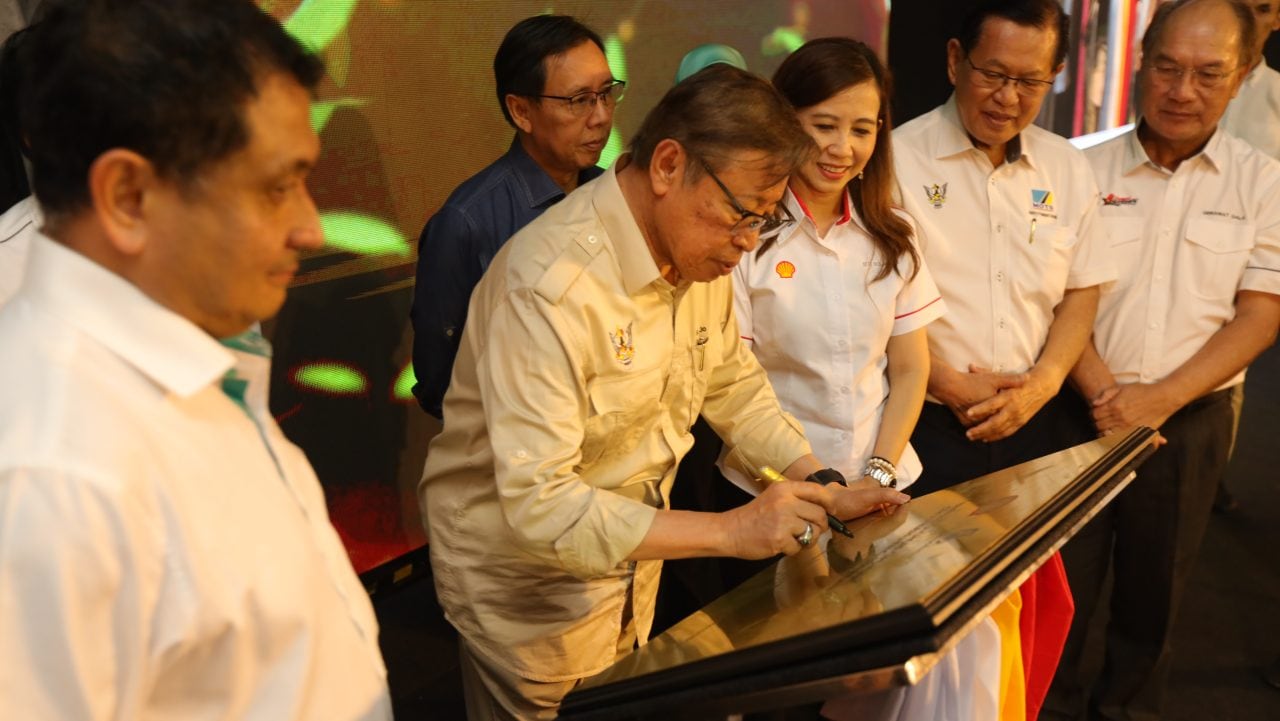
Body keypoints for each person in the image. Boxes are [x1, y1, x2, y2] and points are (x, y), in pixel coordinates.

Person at [418, 64, 910, 720]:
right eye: (741, 214)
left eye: (763, 223)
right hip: (532, 600)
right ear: (669, 166)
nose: (745, 245)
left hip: (628, 575)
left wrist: (820, 480)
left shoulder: (693, 247)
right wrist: (731, 531)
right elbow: (541, 504)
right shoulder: (548, 287)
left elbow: (730, 380)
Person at [0, 1, 391, 719]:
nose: (310, 225)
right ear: (128, 196)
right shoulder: (51, 471)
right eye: (277, 185)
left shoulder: (194, 355)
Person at [1043, 2, 1280, 719]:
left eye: (1209, 74)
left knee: (1157, 597)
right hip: (1072, 408)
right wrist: (1108, 392)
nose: (1184, 91)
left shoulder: (1263, 182)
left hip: (1190, 420)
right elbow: (1047, 297)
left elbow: (1261, 312)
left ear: (1239, 78)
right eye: (1169, 68)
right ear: (1142, 62)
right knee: (1060, 588)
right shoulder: (1078, 163)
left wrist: (1162, 397)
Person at [893, 0, 1114, 494]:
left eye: (1030, 81)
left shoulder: (1067, 166)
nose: (1007, 98)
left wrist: (1047, 380)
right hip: (923, 421)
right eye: (993, 74)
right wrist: (944, 381)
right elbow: (871, 301)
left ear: (1055, 75)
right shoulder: (896, 161)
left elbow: (1081, 290)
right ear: (955, 60)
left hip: (1035, 419)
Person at [410, 14, 618, 419]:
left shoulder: (612, 196)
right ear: (522, 111)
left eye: (607, 93)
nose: (601, 116)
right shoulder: (466, 222)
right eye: (579, 100)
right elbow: (440, 379)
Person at [1221, 0, 1280, 158]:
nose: (1250, 21)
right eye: (1239, 9)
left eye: (1263, 10)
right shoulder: (1183, 84)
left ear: (1277, 19)